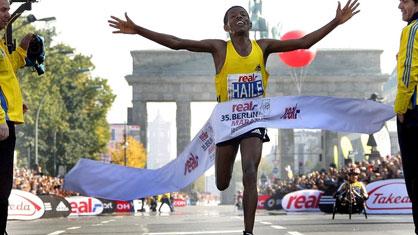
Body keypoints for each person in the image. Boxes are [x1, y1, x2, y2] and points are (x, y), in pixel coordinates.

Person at [108, 1, 359, 234]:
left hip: (253, 120)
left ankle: (248, 232)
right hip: (226, 122)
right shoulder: (219, 48)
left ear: (249, 24)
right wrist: (138, 29)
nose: (239, 18)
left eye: (244, 16)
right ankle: (224, 177)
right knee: (221, 183)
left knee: (250, 171)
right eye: (233, 16)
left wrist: (335, 22)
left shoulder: (264, 47)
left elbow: (303, 43)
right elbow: (177, 42)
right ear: (226, 26)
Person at [0, 0, 33, 234]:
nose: (7, 14)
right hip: (1, 124)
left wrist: (21, 51)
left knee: (3, 187)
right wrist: (0, 118)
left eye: (8, 9)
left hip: (8, 119)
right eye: (2, 9)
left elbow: (6, 71)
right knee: (0, 186)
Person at [395, 0, 418, 233]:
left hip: (414, 112)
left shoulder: (412, 29)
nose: (399, 5)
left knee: (414, 176)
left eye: (404, 1)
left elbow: (408, 71)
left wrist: (401, 107)